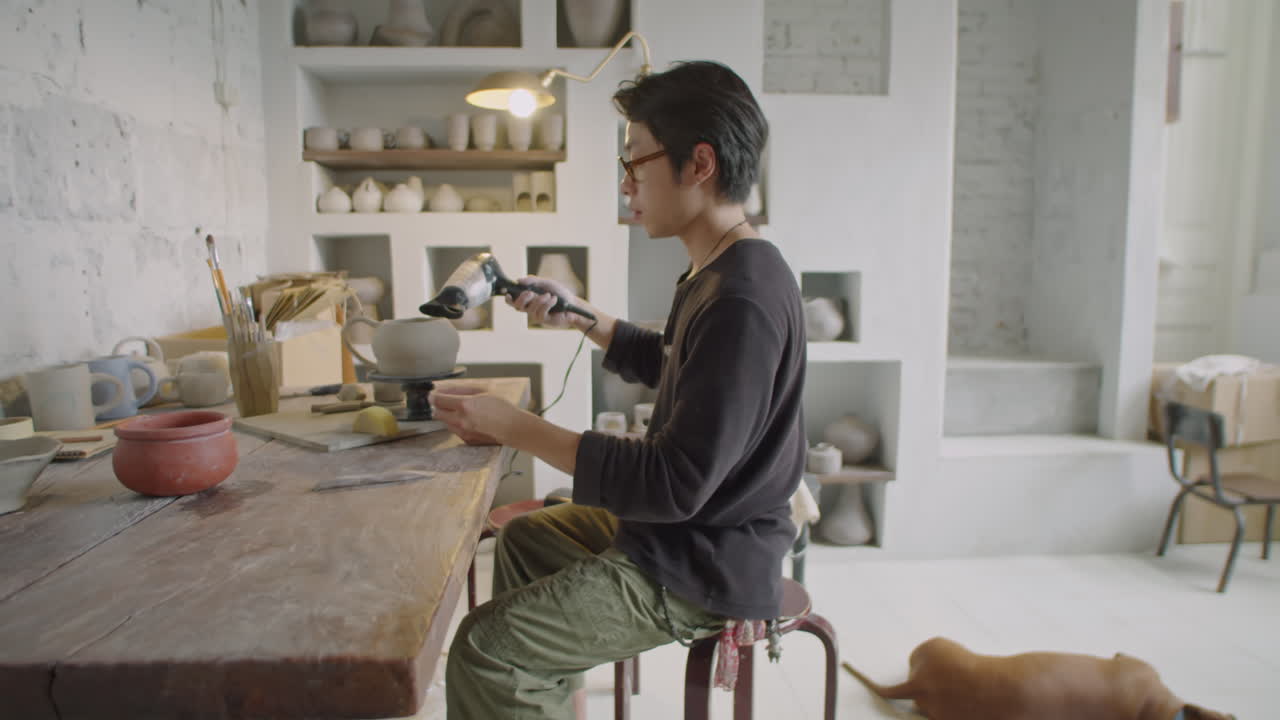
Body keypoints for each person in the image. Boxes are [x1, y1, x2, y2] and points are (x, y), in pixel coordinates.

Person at [430, 60, 807, 720]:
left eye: (636, 161)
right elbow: (679, 365)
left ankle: (522, 685)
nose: (626, 182)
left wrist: (513, 426)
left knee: (486, 649)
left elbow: (672, 481)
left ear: (699, 163)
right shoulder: (721, 267)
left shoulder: (741, 298)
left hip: (709, 561)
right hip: (689, 530)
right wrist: (583, 317)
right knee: (523, 541)